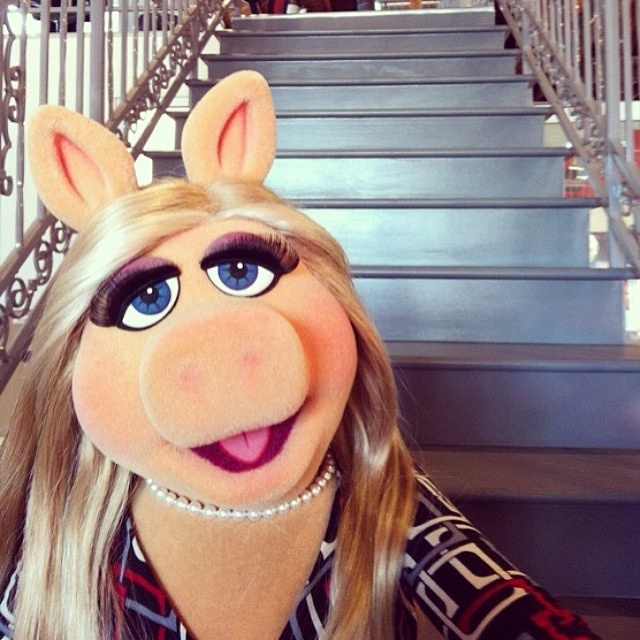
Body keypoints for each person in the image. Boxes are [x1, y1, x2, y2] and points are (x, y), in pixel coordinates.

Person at [0, 71, 602, 640]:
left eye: (242, 272)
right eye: (146, 300)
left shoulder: (383, 503)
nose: (220, 347)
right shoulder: (78, 532)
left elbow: (502, 605)